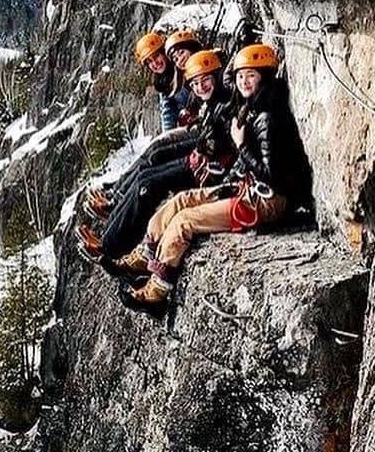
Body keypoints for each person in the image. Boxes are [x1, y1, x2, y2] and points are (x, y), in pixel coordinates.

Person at [120, 43, 313, 314]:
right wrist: (229, 180)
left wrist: (241, 146)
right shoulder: (253, 108)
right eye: (241, 76)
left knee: (184, 222)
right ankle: (146, 253)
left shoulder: (267, 118)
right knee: (181, 200)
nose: (244, 81)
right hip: (251, 189)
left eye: (251, 75)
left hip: (268, 201)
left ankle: (157, 290)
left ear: (264, 77)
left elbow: (274, 177)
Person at [77, 49, 236, 267]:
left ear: (216, 77)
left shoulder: (223, 103)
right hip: (199, 163)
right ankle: (108, 230)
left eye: (206, 80)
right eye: (196, 83)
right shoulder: (213, 102)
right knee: (145, 176)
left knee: (148, 187)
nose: (201, 87)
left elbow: (220, 143)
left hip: (207, 172)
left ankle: (109, 248)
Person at [83, 28, 203, 222]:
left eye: (157, 57)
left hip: (197, 126)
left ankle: (117, 194)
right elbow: (168, 111)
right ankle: (117, 190)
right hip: (187, 126)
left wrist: (170, 138)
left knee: (156, 150)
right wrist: (168, 136)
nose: (155, 64)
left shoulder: (182, 69)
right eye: (150, 62)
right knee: (156, 147)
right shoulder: (164, 80)